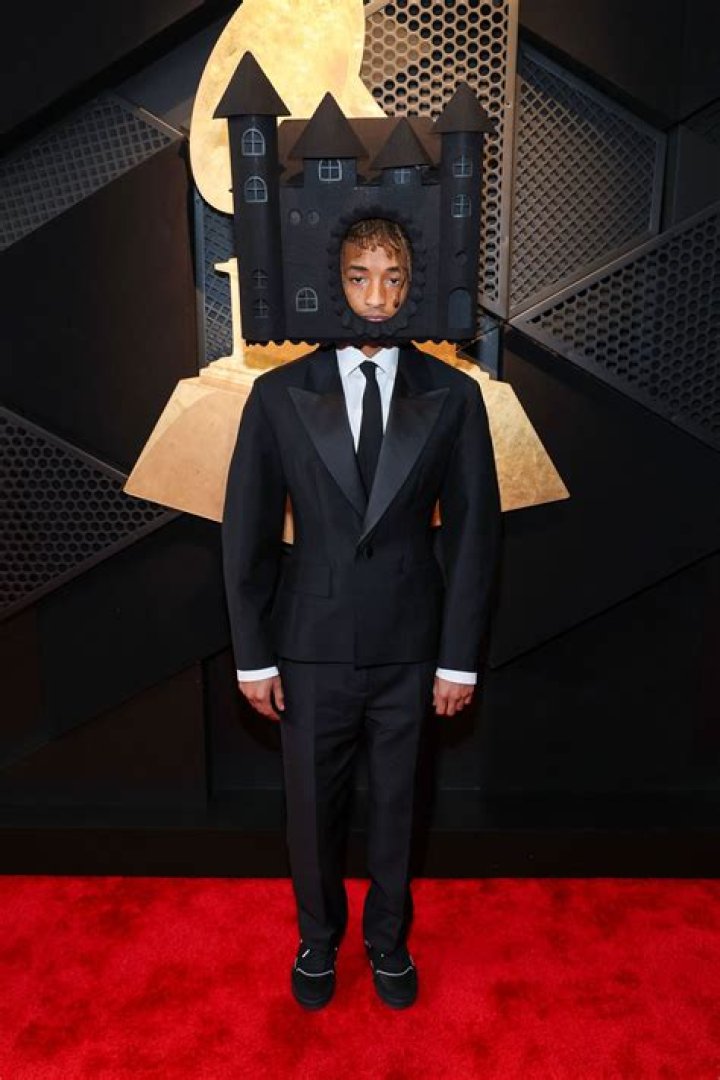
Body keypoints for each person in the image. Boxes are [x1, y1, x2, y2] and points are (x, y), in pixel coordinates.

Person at [222, 218, 501, 1010]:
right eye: (358, 276)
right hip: (308, 645)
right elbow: (246, 532)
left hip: (413, 646)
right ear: (334, 283)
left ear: (412, 287)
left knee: (399, 806)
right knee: (311, 810)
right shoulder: (278, 394)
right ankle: (318, 939)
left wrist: (458, 659)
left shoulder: (454, 395)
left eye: (392, 277)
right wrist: (253, 655)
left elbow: (475, 536)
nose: (376, 295)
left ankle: (388, 941)